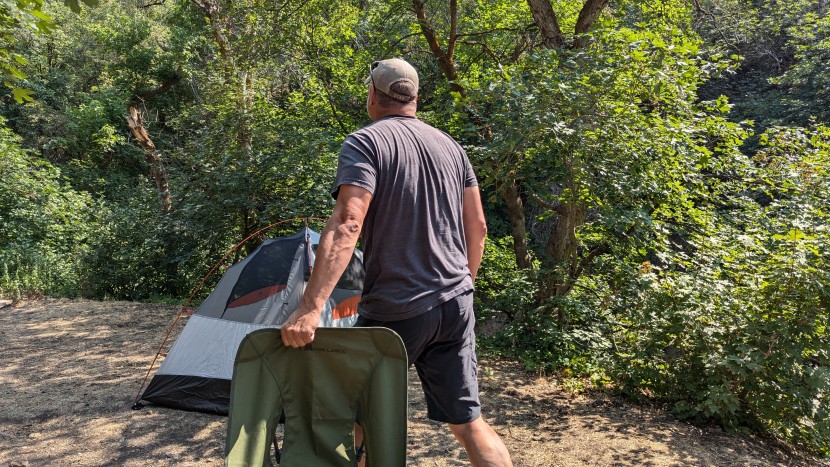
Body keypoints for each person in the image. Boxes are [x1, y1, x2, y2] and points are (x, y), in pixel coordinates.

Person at [280, 57, 513, 467]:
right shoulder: (452, 148)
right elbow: (477, 225)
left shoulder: (366, 142)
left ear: (372, 95)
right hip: (455, 304)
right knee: (468, 423)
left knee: (359, 418)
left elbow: (349, 222)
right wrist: (463, 286)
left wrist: (310, 308)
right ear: (415, 98)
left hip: (397, 308)